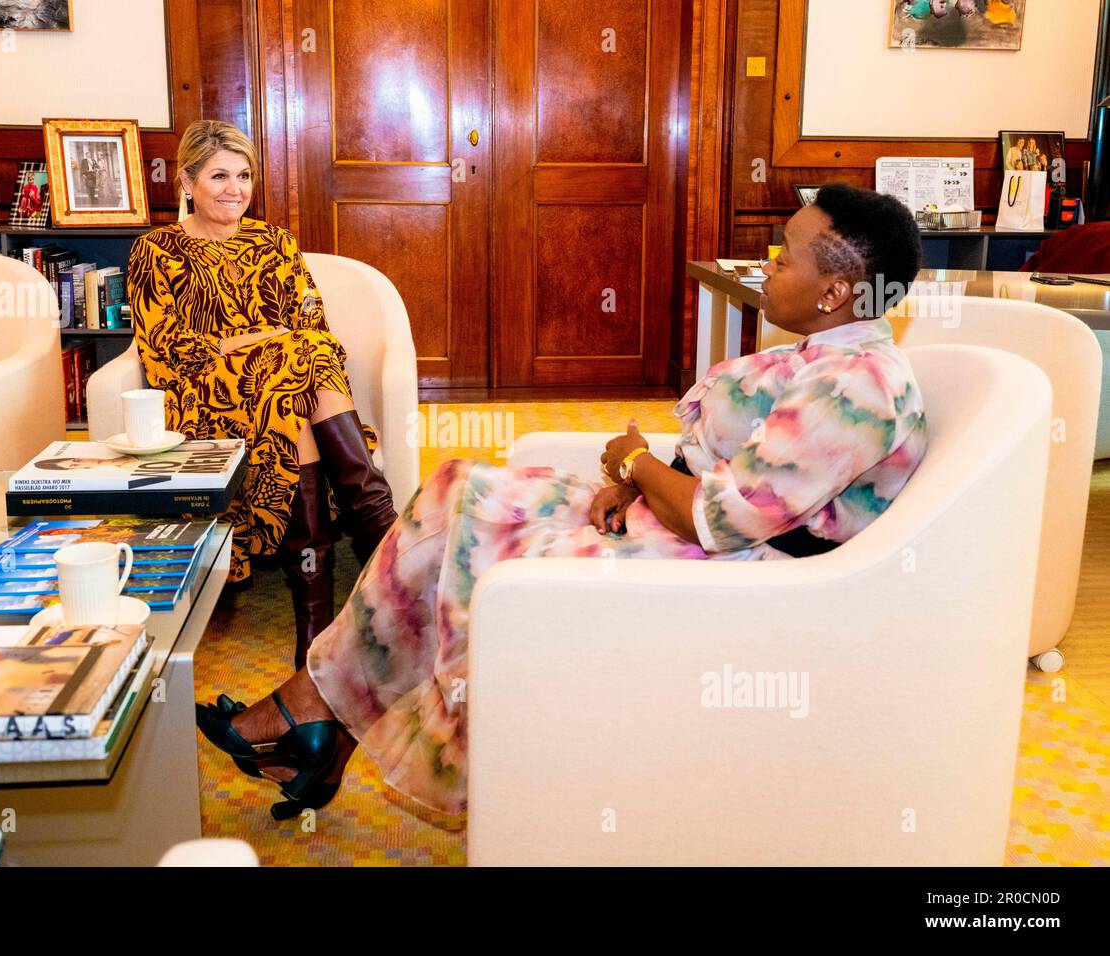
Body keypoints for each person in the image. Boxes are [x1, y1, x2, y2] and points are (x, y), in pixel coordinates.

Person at [197, 184, 930, 820]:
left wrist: (635, 462)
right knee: (459, 489)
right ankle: (320, 711)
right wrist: (628, 479)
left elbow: (720, 518)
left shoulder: (858, 386)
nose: (766, 263)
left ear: (837, 292)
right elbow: (714, 467)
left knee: (506, 571)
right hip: (682, 527)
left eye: (786, 255)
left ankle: (312, 720)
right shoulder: (822, 357)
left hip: (737, 572)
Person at [127, 119, 397, 670]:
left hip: (282, 385)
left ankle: (314, 629)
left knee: (301, 367)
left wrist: (270, 348)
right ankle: (392, 565)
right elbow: (162, 347)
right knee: (298, 365)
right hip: (204, 392)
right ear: (186, 182)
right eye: (219, 175)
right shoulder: (156, 249)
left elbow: (310, 319)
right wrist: (247, 342)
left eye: (244, 175)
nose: (235, 188)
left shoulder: (274, 240)